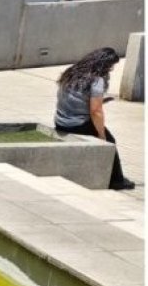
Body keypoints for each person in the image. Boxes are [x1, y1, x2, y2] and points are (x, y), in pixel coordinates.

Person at [54, 46, 134, 190]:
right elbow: (96, 111)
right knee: (110, 141)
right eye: (110, 66)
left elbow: (75, 98)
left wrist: (101, 101)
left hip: (60, 121)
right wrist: (101, 134)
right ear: (103, 64)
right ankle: (116, 180)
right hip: (76, 124)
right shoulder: (96, 80)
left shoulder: (72, 72)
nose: (111, 70)